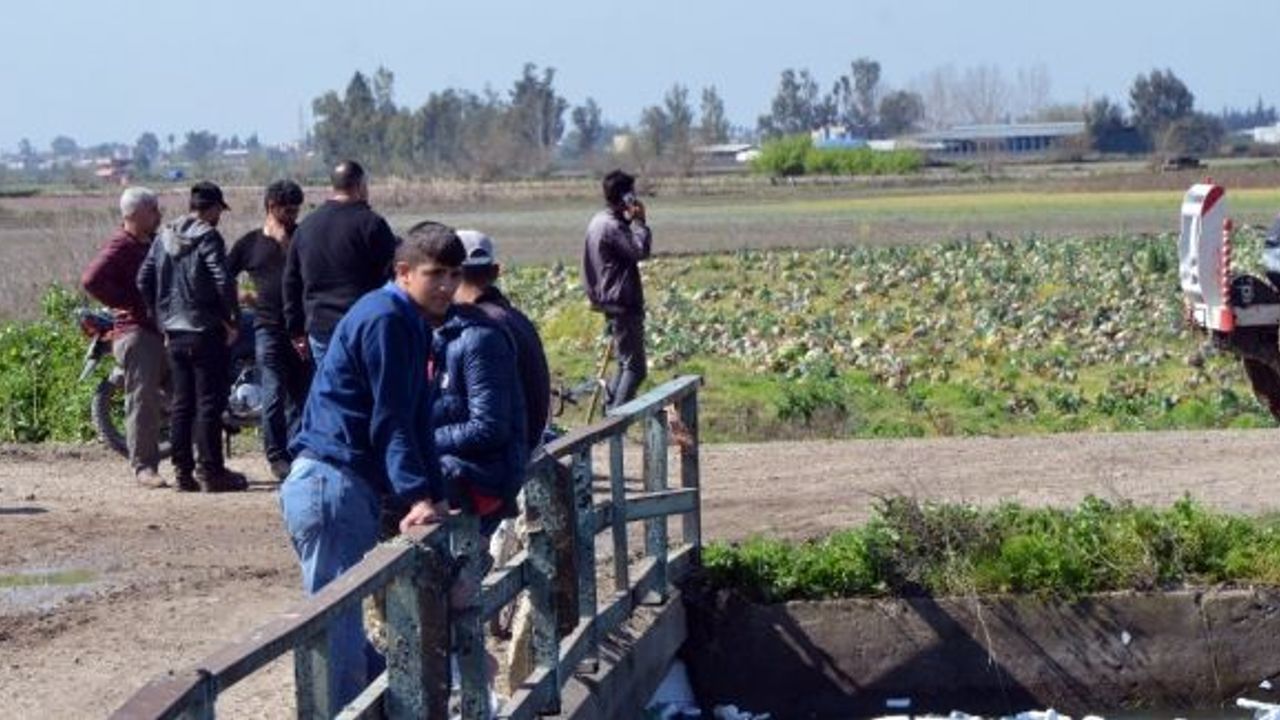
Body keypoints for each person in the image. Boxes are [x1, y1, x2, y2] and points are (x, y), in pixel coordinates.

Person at [279, 223, 455, 711]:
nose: (446, 285)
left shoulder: (411, 322)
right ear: (403, 272)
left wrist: (434, 494)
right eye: (434, 273)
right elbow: (391, 418)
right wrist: (419, 496)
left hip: (344, 486)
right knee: (336, 632)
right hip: (330, 484)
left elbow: (418, 419)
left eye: (454, 274)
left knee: (350, 633)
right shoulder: (385, 319)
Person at [137, 181, 247, 493]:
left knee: (182, 403)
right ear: (211, 209)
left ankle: (183, 472)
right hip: (205, 330)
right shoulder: (208, 236)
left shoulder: (164, 235)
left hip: (175, 331)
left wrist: (158, 316)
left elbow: (143, 278)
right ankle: (211, 472)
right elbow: (223, 279)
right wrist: (232, 319)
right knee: (209, 402)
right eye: (218, 211)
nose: (219, 217)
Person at [418, 223, 527, 538]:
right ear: (494, 272)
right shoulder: (452, 331)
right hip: (478, 467)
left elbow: (490, 426)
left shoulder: (478, 336)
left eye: (447, 275)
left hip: (478, 477)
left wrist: (423, 442)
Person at [81, 187, 168, 488]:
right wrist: (128, 302)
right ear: (135, 214)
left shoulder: (152, 243)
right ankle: (144, 467)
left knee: (185, 392)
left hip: (160, 329)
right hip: (137, 332)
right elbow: (91, 279)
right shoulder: (121, 245)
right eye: (153, 209)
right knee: (142, 399)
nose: (159, 214)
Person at [227, 180, 310, 480]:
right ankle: (276, 456)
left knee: (302, 395)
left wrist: (285, 243)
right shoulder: (250, 244)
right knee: (273, 392)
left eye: (297, 209)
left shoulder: (302, 238)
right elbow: (223, 276)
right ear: (271, 207)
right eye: (288, 209)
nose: (293, 215)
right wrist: (240, 298)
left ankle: (299, 451)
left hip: (301, 329)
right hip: (268, 329)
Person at [282, 160, 397, 368]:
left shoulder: (306, 227)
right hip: (365, 324)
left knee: (331, 393)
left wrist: (295, 329)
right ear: (360, 185)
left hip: (320, 327)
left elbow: (291, 281)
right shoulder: (371, 223)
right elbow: (394, 274)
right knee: (367, 394)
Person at [454, 229, 551, 451]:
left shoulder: (477, 328)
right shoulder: (516, 318)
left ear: (453, 274)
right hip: (529, 441)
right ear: (496, 272)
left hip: (504, 458)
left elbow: (485, 424)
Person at [581, 169, 652, 408]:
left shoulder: (598, 220)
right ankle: (614, 425)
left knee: (624, 363)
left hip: (609, 300)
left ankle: (609, 415)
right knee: (635, 369)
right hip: (622, 302)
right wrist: (640, 222)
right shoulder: (613, 226)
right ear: (625, 197)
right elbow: (639, 250)